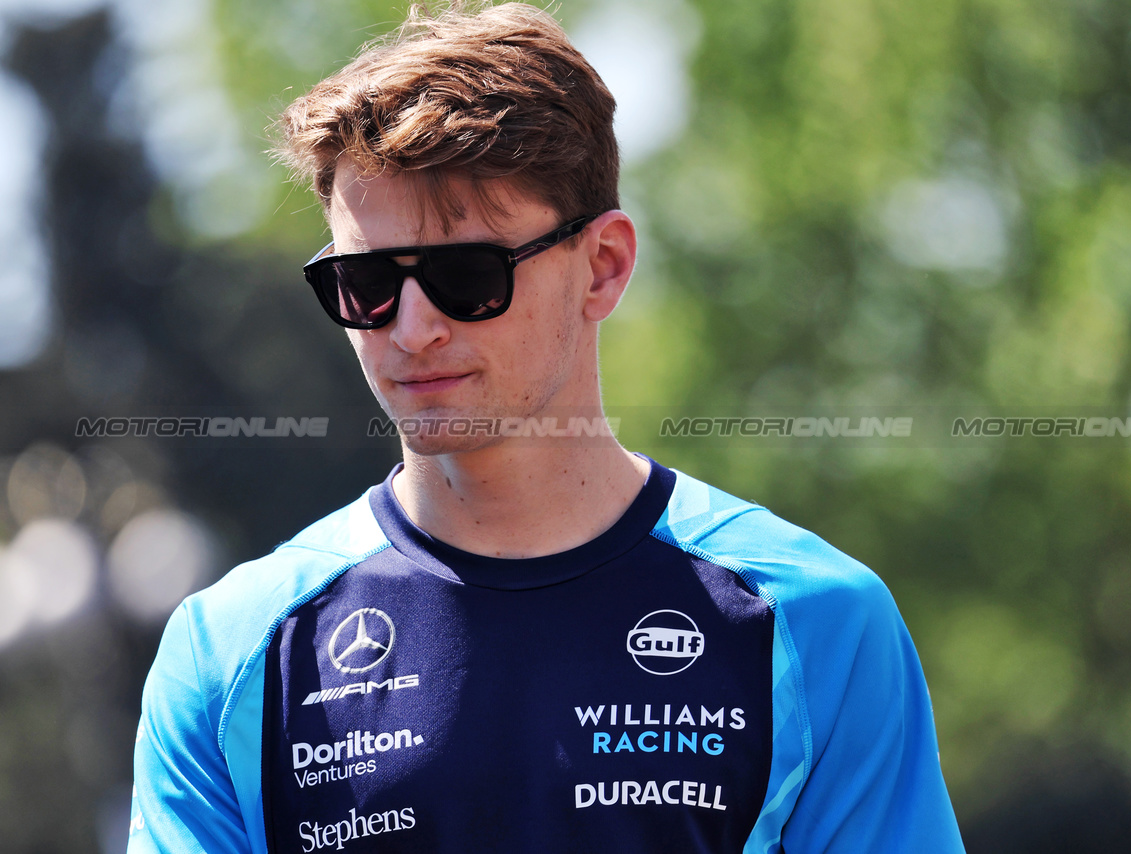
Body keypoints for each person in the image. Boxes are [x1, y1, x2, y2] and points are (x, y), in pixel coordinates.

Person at [128, 3, 965, 852]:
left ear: (603, 267)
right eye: (366, 283)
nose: (412, 329)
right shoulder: (230, 654)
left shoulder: (817, 620)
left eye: (466, 273)